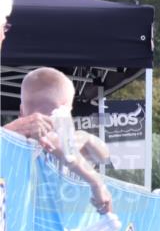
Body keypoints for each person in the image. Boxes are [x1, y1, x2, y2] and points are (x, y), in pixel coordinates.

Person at [3, 68, 112, 215]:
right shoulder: (23, 138)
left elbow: (104, 155)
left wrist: (85, 137)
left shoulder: (8, 137)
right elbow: (59, 146)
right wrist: (96, 183)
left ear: (21, 110)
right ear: (65, 110)